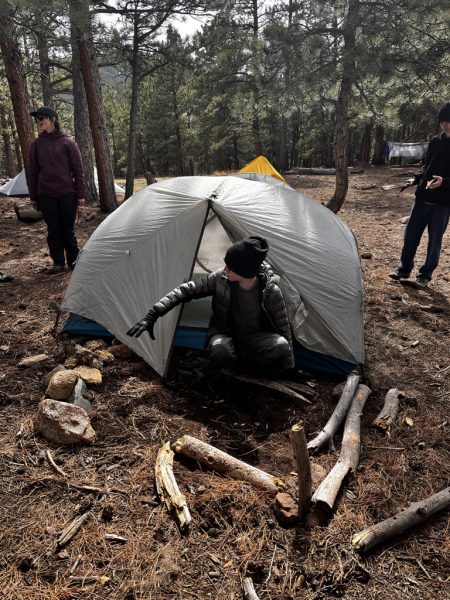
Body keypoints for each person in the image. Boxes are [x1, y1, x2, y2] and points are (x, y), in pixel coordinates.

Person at [127, 236, 296, 374]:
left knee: (281, 345)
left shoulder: (270, 291)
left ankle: (246, 367)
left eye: (230, 268)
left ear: (245, 272)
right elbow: (186, 291)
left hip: (255, 337)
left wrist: (290, 367)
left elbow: (283, 327)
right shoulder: (220, 279)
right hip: (225, 334)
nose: (225, 270)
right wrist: (153, 314)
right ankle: (232, 369)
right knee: (219, 349)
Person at [389, 101, 450, 288]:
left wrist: (445, 181)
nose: (445, 125)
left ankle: (425, 275)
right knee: (410, 236)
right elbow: (426, 166)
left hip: (443, 202)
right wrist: (414, 179)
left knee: (434, 241)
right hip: (423, 197)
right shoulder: (435, 141)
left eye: (448, 121)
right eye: (442, 121)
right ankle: (404, 269)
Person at [28, 106, 85, 274]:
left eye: (41, 118)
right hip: (45, 195)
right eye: (37, 119)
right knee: (53, 230)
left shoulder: (68, 142)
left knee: (68, 229)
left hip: (67, 194)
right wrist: (33, 197)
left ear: (52, 120)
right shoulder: (36, 145)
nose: (38, 122)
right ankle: (58, 263)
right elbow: (33, 172)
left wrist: (81, 195)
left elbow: (78, 171)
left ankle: (74, 261)